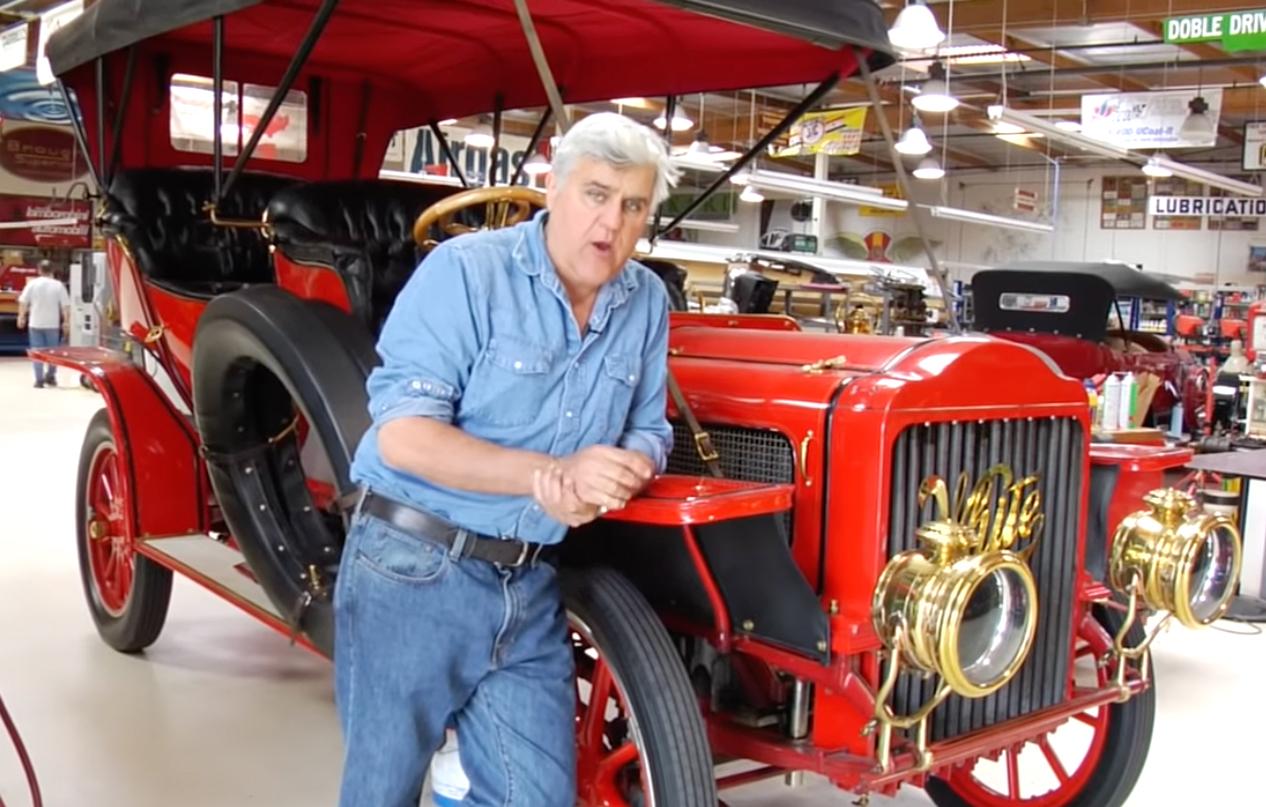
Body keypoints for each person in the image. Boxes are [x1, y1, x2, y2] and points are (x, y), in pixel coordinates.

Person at [335, 112, 678, 806]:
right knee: (381, 792)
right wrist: (548, 478)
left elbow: (651, 427)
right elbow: (404, 434)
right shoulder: (466, 273)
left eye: (633, 204)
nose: (611, 222)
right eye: (595, 193)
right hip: (412, 568)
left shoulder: (645, 302)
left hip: (528, 585)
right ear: (553, 186)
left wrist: (625, 467)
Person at [16, 260, 70, 388]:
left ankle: (39, 380)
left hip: (35, 323)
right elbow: (65, 306)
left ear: (39, 270)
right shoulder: (58, 285)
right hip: (52, 325)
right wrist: (66, 322)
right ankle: (51, 376)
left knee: (37, 351)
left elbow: (23, 302)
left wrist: (21, 317)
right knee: (53, 352)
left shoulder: (32, 284)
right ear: (52, 270)